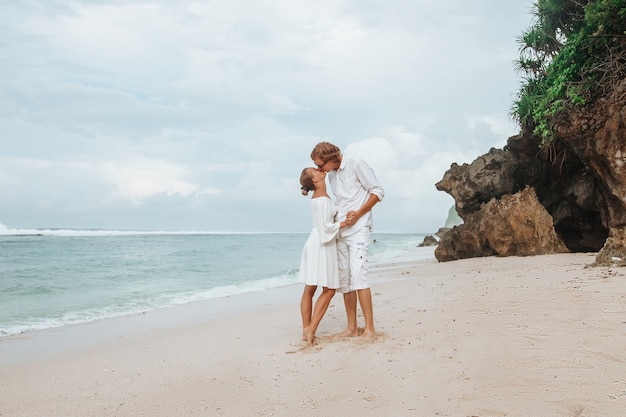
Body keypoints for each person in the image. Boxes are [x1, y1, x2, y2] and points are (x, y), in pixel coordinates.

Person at [310, 142, 384, 339]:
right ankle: (352, 327)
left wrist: (359, 214)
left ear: (331, 158)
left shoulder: (356, 163)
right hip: (341, 231)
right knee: (345, 280)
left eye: (320, 165)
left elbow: (378, 192)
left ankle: (370, 329)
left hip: (359, 228)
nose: (319, 169)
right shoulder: (332, 176)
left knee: (359, 274)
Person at [298, 167, 346, 346]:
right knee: (329, 289)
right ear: (316, 180)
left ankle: (306, 331)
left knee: (309, 289)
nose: (319, 169)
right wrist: (344, 223)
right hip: (322, 244)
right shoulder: (324, 200)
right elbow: (326, 228)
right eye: (315, 170)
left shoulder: (316, 199)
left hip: (314, 241)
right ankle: (311, 329)